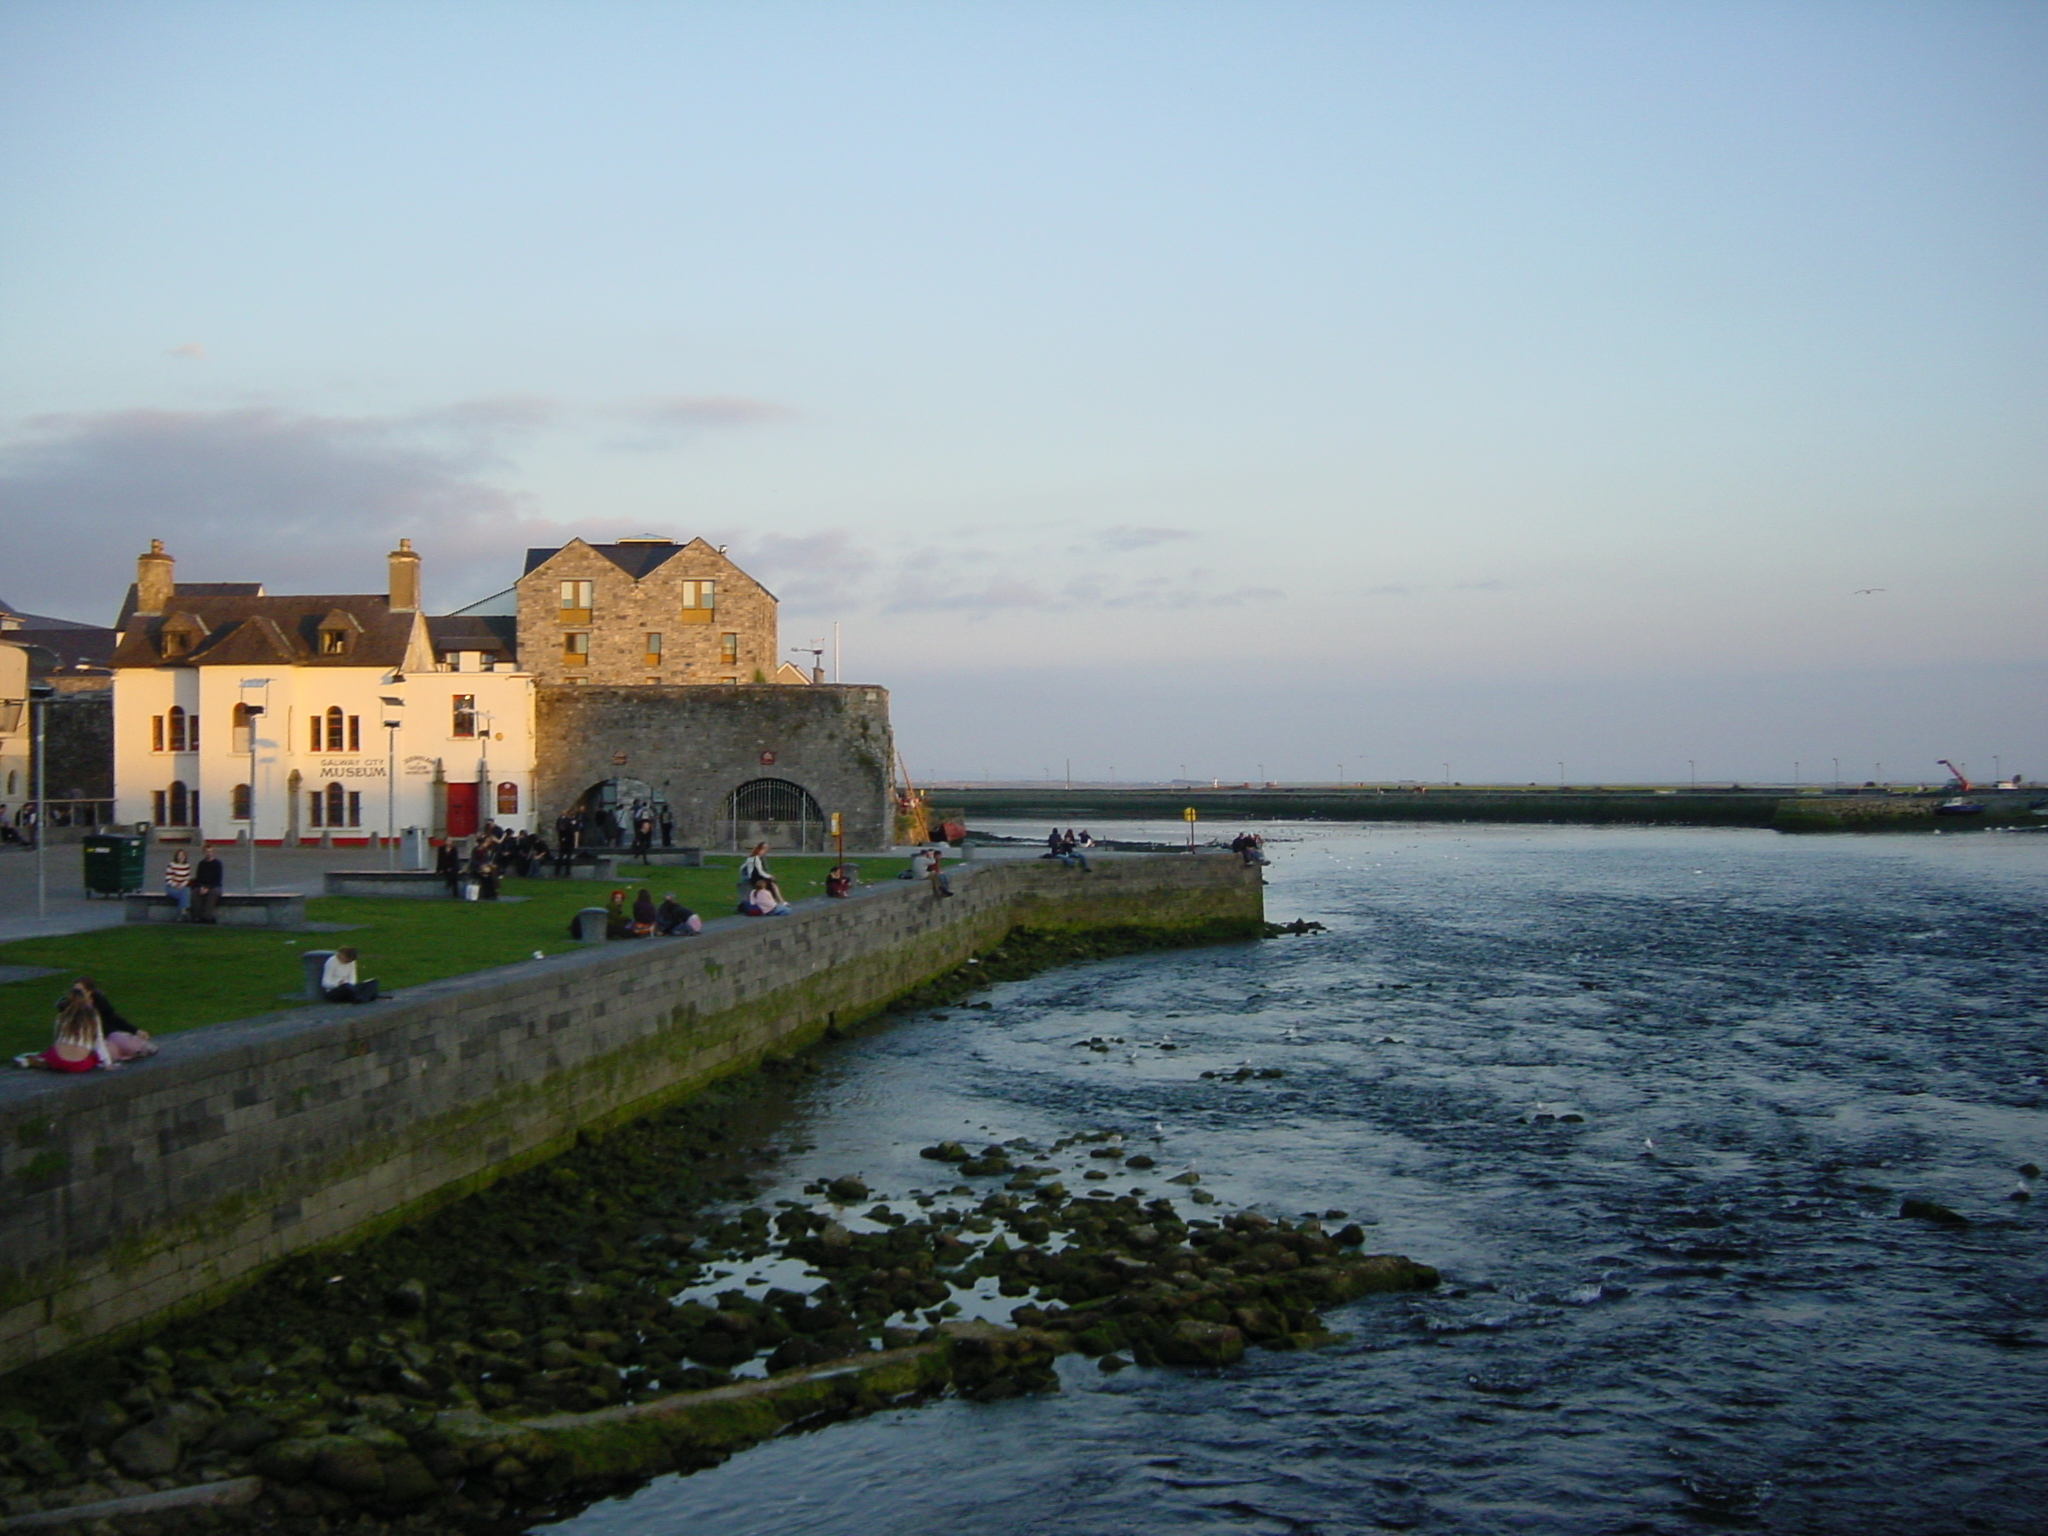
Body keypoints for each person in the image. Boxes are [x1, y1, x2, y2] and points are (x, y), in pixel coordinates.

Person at [19, 985, 114, 1072]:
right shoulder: (92, 1016)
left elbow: (56, 1040)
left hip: (57, 1060)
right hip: (79, 1065)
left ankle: (34, 1060)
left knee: (50, 1053)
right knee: (94, 1057)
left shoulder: (62, 1017)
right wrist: (108, 1063)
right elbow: (99, 1042)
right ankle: (38, 1061)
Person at [191, 848, 225, 923]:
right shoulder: (201, 864)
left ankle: (207, 917)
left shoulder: (217, 863)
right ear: (204, 853)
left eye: (210, 852)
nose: (208, 853)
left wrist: (208, 888)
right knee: (195, 893)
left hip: (215, 886)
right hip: (203, 885)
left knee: (213, 894)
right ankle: (197, 916)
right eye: (207, 852)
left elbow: (217, 879)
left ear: (213, 853)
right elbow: (198, 878)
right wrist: (201, 887)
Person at [163, 849, 194, 919]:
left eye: (182, 855)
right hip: (171, 887)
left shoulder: (187, 865)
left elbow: (187, 879)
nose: (181, 857)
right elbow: (168, 879)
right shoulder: (171, 865)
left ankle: (181, 913)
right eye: (179, 855)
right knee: (185, 894)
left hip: (182, 887)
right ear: (176, 856)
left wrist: (181, 885)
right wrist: (175, 885)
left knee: (186, 890)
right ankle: (184, 912)